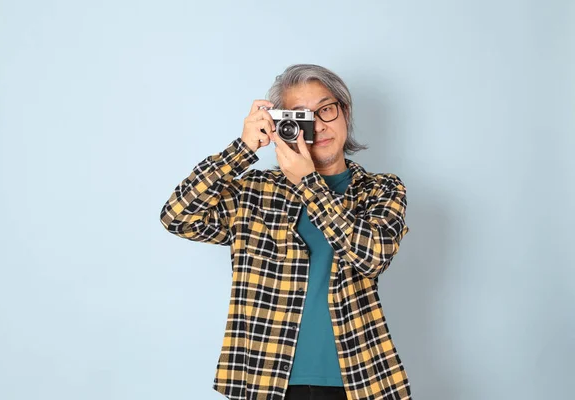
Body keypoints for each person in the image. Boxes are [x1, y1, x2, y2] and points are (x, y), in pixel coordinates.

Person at [160, 64, 411, 400]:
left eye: (326, 109)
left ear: (345, 113)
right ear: (282, 126)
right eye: (301, 118)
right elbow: (177, 216)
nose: (319, 126)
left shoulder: (381, 190)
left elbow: (373, 257)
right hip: (267, 381)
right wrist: (242, 150)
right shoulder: (255, 192)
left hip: (358, 381)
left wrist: (307, 181)